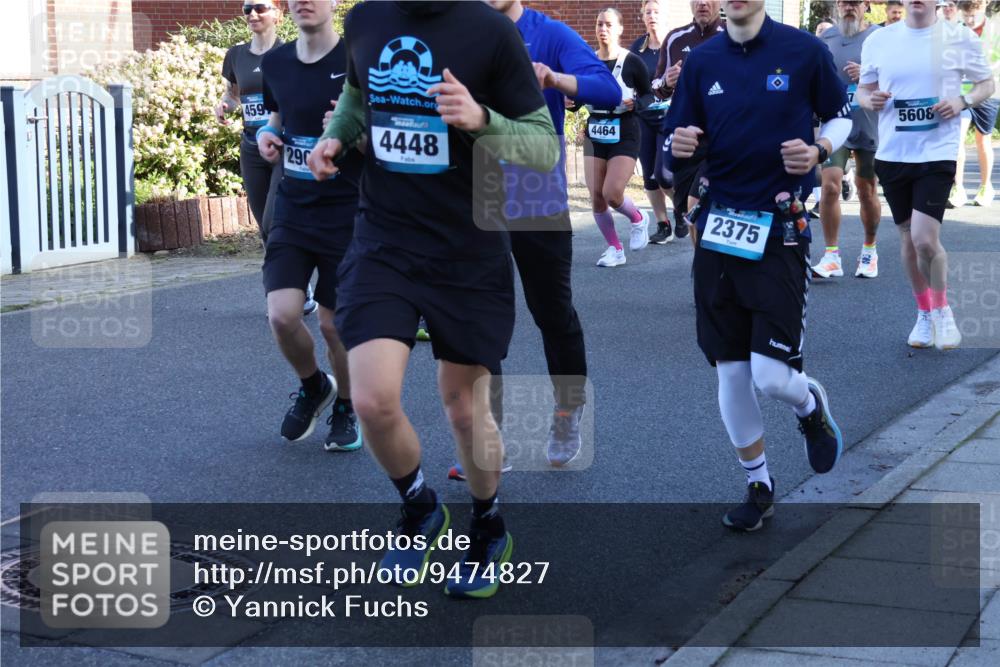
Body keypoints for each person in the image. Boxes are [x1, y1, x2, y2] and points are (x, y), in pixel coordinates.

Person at [309, 0, 559, 598]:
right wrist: (334, 138)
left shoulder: (492, 32)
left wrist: (481, 120)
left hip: (466, 249)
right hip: (383, 240)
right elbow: (356, 95)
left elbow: (544, 148)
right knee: (371, 399)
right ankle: (419, 507)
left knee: (465, 410)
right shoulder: (366, 19)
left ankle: (487, 524)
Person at [667, 0, 851, 531]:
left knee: (772, 377)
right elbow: (682, 136)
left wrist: (818, 149)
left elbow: (842, 115)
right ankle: (759, 484)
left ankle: (809, 403)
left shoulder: (804, 51)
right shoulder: (702, 63)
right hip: (719, 227)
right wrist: (681, 144)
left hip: (779, 224)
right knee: (730, 368)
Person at [445, 0, 620, 482]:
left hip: (535, 191)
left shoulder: (551, 34)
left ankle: (567, 413)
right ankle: (488, 435)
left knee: (552, 313)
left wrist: (555, 79)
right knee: (479, 317)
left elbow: (608, 89)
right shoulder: (460, 30)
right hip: (473, 190)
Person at [255, 0, 363, 451]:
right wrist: (265, 134)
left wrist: (350, 127)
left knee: (334, 326)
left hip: (346, 211)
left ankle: (348, 405)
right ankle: (315, 385)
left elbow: (377, 124)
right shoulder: (276, 61)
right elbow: (275, 116)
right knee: (281, 315)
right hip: (294, 209)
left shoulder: (356, 57)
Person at [858, 0, 994, 350]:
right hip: (892, 153)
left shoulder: (958, 36)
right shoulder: (879, 40)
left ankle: (943, 311)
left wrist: (963, 102)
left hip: (937, 152)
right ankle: (924, 314)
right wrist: (869, 101)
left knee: (924, 238)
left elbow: (986, 84)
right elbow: (864, 90)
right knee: (906, 237)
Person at [217, 2, 318, 315]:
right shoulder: (236, 55)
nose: (252, 15)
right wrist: (225, 105)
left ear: (277, 13)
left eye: (260, 8)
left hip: (285, 146)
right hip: (251, 146)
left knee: (277, 219)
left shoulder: (291, 54)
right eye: (247, 9)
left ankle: (289, 289)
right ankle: (296, 286)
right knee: (263, 224)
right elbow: (233, 94)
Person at [812, 0, 883, 279]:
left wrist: (866, 73)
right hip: (835, 122)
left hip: (868, 121)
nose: (849, 7)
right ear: (837, 7)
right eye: (844, 3)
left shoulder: (879, 36)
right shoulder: (826, 38)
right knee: (829, 185)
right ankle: (831, 256)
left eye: (855, 3)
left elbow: (895, 77)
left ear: (866, 6)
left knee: (866, 188)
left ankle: (869, 250)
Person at [580, 8, 654, 267]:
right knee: (597, 197)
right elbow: (577, 95)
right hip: (595, 129)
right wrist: (570, 102)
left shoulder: (632, 62)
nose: (603, 29)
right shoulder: (587, 61)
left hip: (624, 130)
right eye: (599, 24)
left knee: (612, 193)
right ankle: (614, 247)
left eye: (609, 24)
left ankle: (638, 218)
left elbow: (648, 95)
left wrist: (636, 102)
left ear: (620, 29)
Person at [653, 0, 726, 246]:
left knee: (699, 204)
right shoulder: (676, 37)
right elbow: (656, 87)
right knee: (684, 203)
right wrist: (666, 82)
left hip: (721, 133)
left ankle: (712, 269)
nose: (703, 3)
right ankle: (704, 266)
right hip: (685, 132)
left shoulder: (732, 34)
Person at [630, 0, 676, 244]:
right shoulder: (638, 47)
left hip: (669, 118)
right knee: (649, 176)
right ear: (643, 17)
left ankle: (679, 206)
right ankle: (663, 223)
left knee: (664, 175)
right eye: (648, 12)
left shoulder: (675, 45)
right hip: (643, 118)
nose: (652, 16)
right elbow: (627, 78)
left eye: (657, 12)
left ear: (665, 16)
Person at [950, 0, 998, 208]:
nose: (970, 19)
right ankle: (957, 187)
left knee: (982, 140)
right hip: (960, 92)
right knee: (957, 138)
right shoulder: (954, 31)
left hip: (987, 92)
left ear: (984, 8)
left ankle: (985, 186)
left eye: (974, 14)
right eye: (966, 15)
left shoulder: (994, 29)